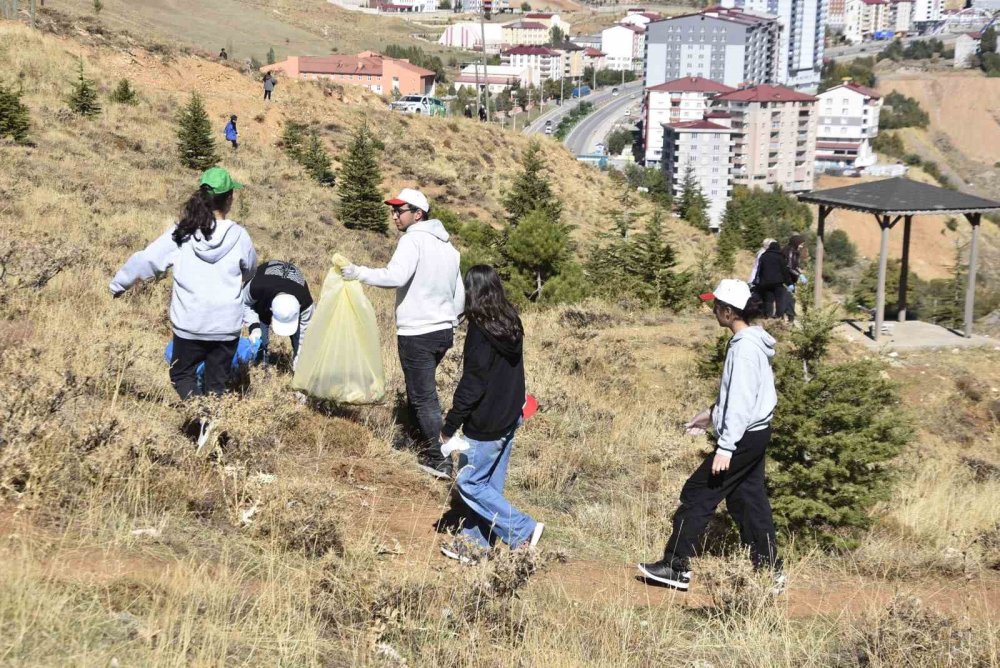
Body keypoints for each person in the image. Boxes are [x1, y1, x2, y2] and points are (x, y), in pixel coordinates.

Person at [638, 279, 781, 591]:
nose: (713, 310)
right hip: (755, 434)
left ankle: (675, 566)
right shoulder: (753, 341)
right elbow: (742, 397)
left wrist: (726, 447)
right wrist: (710, 416)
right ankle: (770, 572)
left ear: (729, 312)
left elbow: (742, 402)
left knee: (697, 493)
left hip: (741, 438)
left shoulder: (743, 349)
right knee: (749, 500)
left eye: (716, 306)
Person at [341, 189, 464, 479]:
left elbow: (395, 276)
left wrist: (357, 272)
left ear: (418, 214)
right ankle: (416, 442)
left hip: (417, 331)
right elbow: (459, 294)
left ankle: (440, 459)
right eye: (393, 210)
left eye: (400, 209)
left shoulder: (412, 240)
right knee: (419, 391)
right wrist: (451, 322)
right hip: (442, 331)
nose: (394, 215)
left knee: (423, 397)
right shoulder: (449, 248)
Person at [109, 167, 257, 400]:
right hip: (226, 326)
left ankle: (202, 416)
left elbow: (148, 260)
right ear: (229, 199)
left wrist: (118, 285)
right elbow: (249, 270)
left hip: (190, 323)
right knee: (216, 384)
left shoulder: (183, 232)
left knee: (181, 375)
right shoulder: (240, 236)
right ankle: (209, 424)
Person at [438, 265, 544, 563]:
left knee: (469, 483)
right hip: (509, 417)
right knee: (489, 486)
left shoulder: (480, 332)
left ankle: (523, 529)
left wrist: (450, 424)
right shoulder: (511, 322)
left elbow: (472, 383)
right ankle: (476, 546)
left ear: (472, 292)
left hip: (485, 423)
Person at [243, 260, 314, 369]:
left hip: (286, 289)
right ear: (271, 308)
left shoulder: (305, 302)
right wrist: (254, 326)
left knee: (300, 349)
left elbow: (305, 332)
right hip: (264, 293)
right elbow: (243, 302)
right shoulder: (256, 287)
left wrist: (300, 360)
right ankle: (261, 363)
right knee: (260, 336)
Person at [753, 241, 789, 319]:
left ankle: (768, 315)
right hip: (778, 282)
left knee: (768, 300)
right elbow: (784, 271)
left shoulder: (764, 256)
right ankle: (779, 315)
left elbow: (759, 269)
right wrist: (789, 282)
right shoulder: (780, 257)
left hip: (766, 282)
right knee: (779, 299)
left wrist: (757, 280)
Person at [781, 234, 807, 322]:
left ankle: (790, 319)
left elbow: (795, 266)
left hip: (791, 279)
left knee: (791, 300)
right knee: (786, 299)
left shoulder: (795, 251)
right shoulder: (789, 251)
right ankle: (781, 320)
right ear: (796, 243)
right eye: (801, 244)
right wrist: (799, 275)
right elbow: (789, 267)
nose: (802, 246)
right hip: (786, 279)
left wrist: (800, 273)